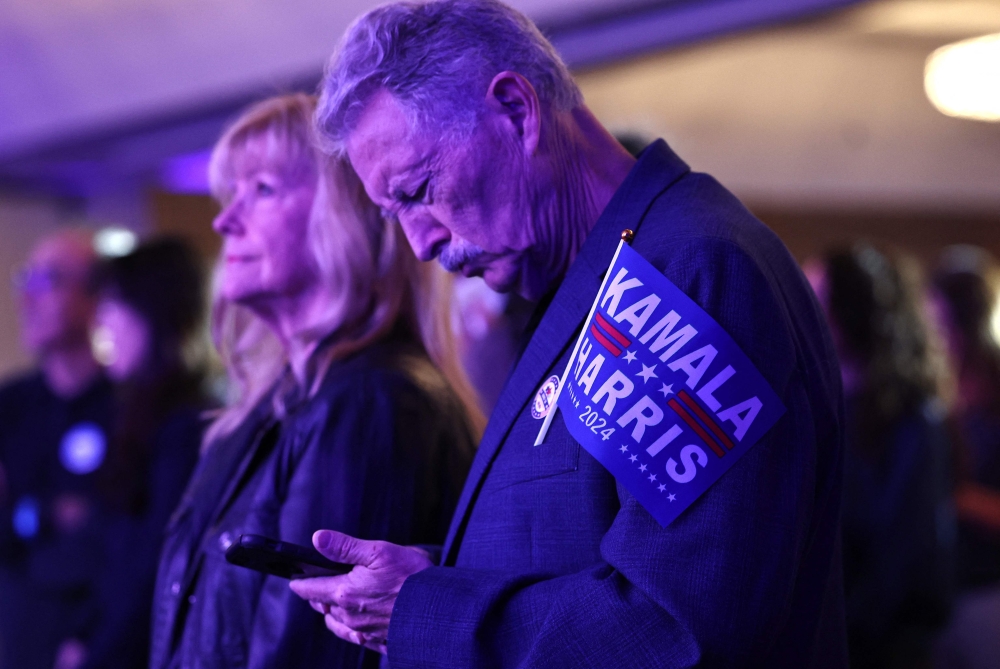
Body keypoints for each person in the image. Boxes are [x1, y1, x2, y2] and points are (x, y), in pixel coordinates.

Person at [289, 1, 847, 666]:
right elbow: (594, 548)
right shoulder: (605, 277)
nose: (419, 242)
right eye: (394, 213)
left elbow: (679, 627)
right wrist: (434, 578)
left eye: (421, 189)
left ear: (517, 112)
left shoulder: (689, 270)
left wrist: (429, 608)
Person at [149, 93, 478, 669]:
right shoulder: (267, 410)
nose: (225, 219)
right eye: (231, 195)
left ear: (344, 214)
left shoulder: (373, 403)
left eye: (263, 190)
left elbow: (312, 654)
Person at [47, 238, 211, 669]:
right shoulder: (135, 415)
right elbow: (113, 561)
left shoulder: (186, 426)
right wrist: (82, 634)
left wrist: (95, 654)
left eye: (115, 307)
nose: (104, 324)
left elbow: (152, 569)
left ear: (153, 314)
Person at [807, 246, 954, 669]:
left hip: (888, 636)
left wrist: (846, 628)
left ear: (846, 314)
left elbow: (903, 548)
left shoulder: (913, 416)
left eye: (816, 299)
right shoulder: (829, 402)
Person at [0, 229, 114, 669]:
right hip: (23, 628)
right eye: (25, 281)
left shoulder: (127, 406)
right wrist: (49, 514)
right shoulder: (10, 406)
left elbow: (122, 533)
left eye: (47, 281)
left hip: (106, 633)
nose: (28, 298)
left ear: (93, 298)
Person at [931, 246, 1000, 668]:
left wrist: (956, 498)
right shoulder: (938, 394)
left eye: (941, 321)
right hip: (945, 588)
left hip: (989, 592)